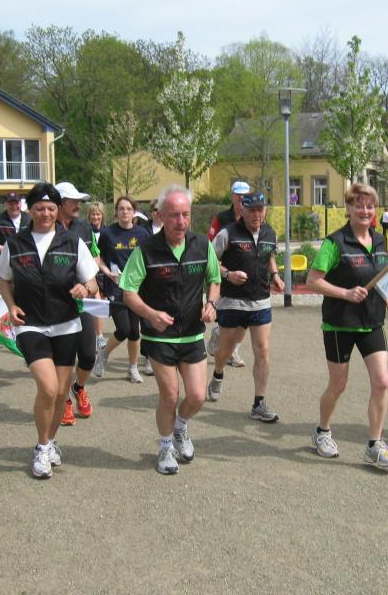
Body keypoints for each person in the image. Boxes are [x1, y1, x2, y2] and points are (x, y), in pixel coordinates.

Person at [0, 182, 99, 479]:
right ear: (30, 210)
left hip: (67, 324)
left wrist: (85, 288)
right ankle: (41, 447)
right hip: (31, 325)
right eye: (39, 208)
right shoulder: (15, 244)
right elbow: (4, 280)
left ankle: (51, 440)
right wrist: (10, 305)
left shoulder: (72, 242)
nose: (45, 213)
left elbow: (92, 282)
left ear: (58, 210)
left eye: (51, 208)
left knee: (61, 393)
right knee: (48, 388)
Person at [120, 185, 220, 475]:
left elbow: (214, 279)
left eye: (185, 214)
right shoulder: (146, 250)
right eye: (174, 215)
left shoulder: (202, 245)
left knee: (197, 396)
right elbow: (128, 292)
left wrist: (211, 303)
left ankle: (180, 427)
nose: (181, 221)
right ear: (161, 215)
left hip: (192, 333)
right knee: (170, 395)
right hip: (159, 336)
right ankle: (165, 447)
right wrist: (150, 314)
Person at [306, 184, 388, 468]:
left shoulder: (380, 241)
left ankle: (374, 445)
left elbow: (382, 275)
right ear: (348, 208)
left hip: (372, 322)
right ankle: (322, 431)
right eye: (359, 205)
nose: (365, 211)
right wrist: (346, 293)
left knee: (382, 382)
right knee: (338, 384)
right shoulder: (335, 242)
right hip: (340, 324)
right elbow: (313, 281)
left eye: (370, 206)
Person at [206, 191, 284, 422]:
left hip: (261, 302)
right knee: (226, 350)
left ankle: (259, 403)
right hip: (232, 302)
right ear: (242, 210)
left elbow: (269, 256)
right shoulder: (228, 233)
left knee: (263, 351)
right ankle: (218, 373)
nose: (256, 214)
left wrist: (275, 275)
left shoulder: (270, 233)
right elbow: (210, 261)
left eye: (261, 209)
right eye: (252, 210)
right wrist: (228, 274)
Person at [92, 196, 151, 383]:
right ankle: (103, 354)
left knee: (134, 332)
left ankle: (132, 369)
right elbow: (98, 257)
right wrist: (107, 272)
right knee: (124, 329)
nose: (125, 212)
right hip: (115, 287)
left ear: (134, 212)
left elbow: (149, 258)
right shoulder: (108, 233)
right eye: (121, 209)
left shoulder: (142, 234)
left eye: (128, 209)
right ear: (116, 212)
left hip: (136, 288)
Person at [55, 181, 98, 424]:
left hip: (81, 304)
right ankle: (64, 401)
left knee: (89, 355)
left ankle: (78, 386)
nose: (78, 206)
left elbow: (93, 263)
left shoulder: (84, 229)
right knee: (62, 358)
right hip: (53, 306)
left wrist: (91, 287)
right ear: (60, 203)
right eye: (74, 201)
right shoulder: (43, 230)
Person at [207, 181, 251, 368]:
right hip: (225, 274)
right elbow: (210, 248)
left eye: (245, 195)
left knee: (245, 319)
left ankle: (233, 350)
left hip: (247, 275)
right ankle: (220, 334)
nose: (241, 198)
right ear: (232, 196)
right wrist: (223, 272)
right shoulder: (221, 218)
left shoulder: (255, 216)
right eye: (238, 194)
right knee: (229, 317)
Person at [0, 193, 32, 268]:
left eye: (16, 203)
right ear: (5, 204)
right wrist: (6, 249)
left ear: (21, 203)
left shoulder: (30, 219)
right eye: (11, 204)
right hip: (5, 265)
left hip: (27, 265)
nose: (14, 206)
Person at [87, 201, 107, 351]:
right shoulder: (85, 231)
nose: (95, 217)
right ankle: (96, 336)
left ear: (102, 215)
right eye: (93, 214)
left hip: (103, 271)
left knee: (100, 303)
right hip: (89, 271)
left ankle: (98, 335)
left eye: (98, 214)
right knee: (95, 302)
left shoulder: (107, 232)